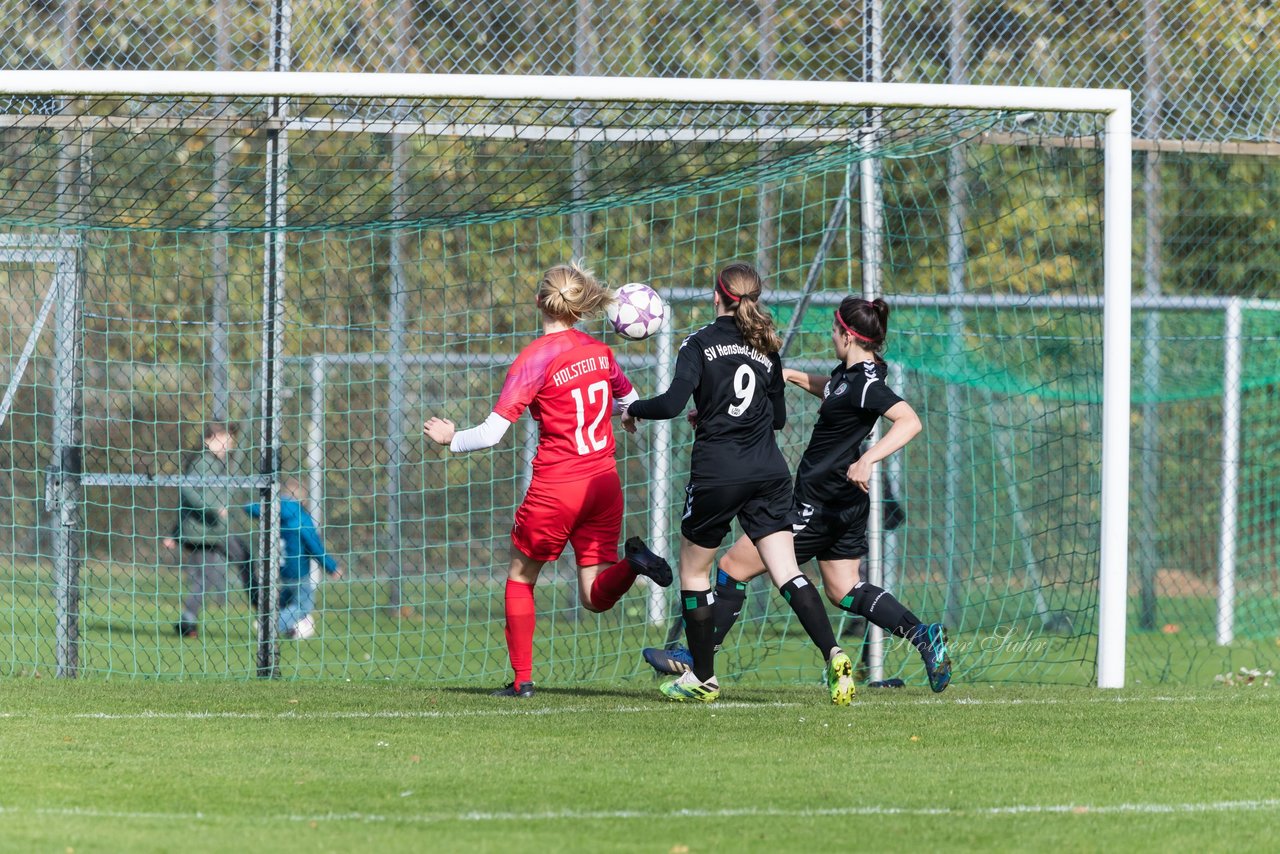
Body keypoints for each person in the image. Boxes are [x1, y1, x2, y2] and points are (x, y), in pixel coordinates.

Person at [642, 296, 953, 693]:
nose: (831, 337)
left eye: (834, 331)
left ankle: (697, 658)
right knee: (843, 589)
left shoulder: (866, 384)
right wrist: (789, 375)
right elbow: (835, 391)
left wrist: (868, 460)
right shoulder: (854, 374)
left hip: (819, 500)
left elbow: (909, 421)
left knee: (733, 566)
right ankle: (924, 636)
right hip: (846, 503)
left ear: (847, 334)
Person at [423, 261, 673, 699]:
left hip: (557, 489)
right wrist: (624, 415)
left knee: (520, 577)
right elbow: (629, 402)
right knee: (595, 596)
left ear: (540, 300)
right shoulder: (600, 352)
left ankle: (522, 681)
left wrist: (449, 439)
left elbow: (492, 433)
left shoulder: (534, 359)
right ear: (579, 306)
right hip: (603, 486)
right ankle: (633, 565)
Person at [621, 262, 856, 705]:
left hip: (719, 472)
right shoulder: (767, 346)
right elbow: (779, 419)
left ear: (717, 296)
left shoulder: (698, 342)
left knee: (694, 572)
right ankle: (834, 654)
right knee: (788, 571)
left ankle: (703, 679)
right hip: (768, 471)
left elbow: (671, 403)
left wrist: (633, 408)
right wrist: (716, 411)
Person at [162, 422, 253, 638]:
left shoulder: (216, 462)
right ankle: (267, 614)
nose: (229, 443)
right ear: (209, 439)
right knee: (244, 560)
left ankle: (187, 620)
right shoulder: (203, 462)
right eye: (225, 438)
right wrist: (213, 509)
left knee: (207, 577)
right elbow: (188, 492)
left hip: (210, 531)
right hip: (207, 531)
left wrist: (175, 533)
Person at [241, 478, 340, 639]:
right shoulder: (301, 519)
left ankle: (281, 624)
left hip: (281, 568)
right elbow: (315, 546)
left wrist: (248, 504)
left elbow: (250, 508)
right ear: (303, 499)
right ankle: (270, 626)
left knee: (285, 602)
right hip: (299, 570)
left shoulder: (273, 511)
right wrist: (332, 567)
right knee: (303, 605)